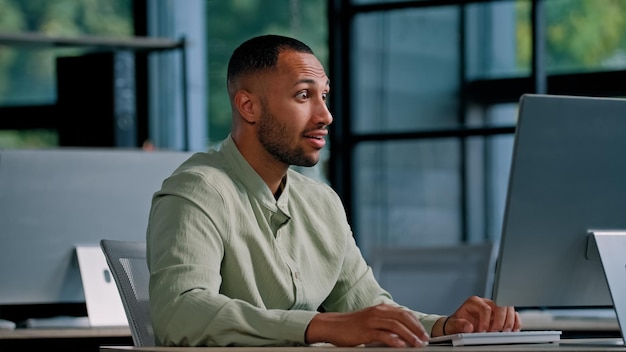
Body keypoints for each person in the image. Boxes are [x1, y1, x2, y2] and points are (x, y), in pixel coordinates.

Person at [145, 34, 521, 348]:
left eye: (324, 96)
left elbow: (369, 307)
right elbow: (179, 312)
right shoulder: (197, 190)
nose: (325, 115)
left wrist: (445, 328)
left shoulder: (322, 202)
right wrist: (322, 326)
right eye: (304, 96)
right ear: (248, 106)